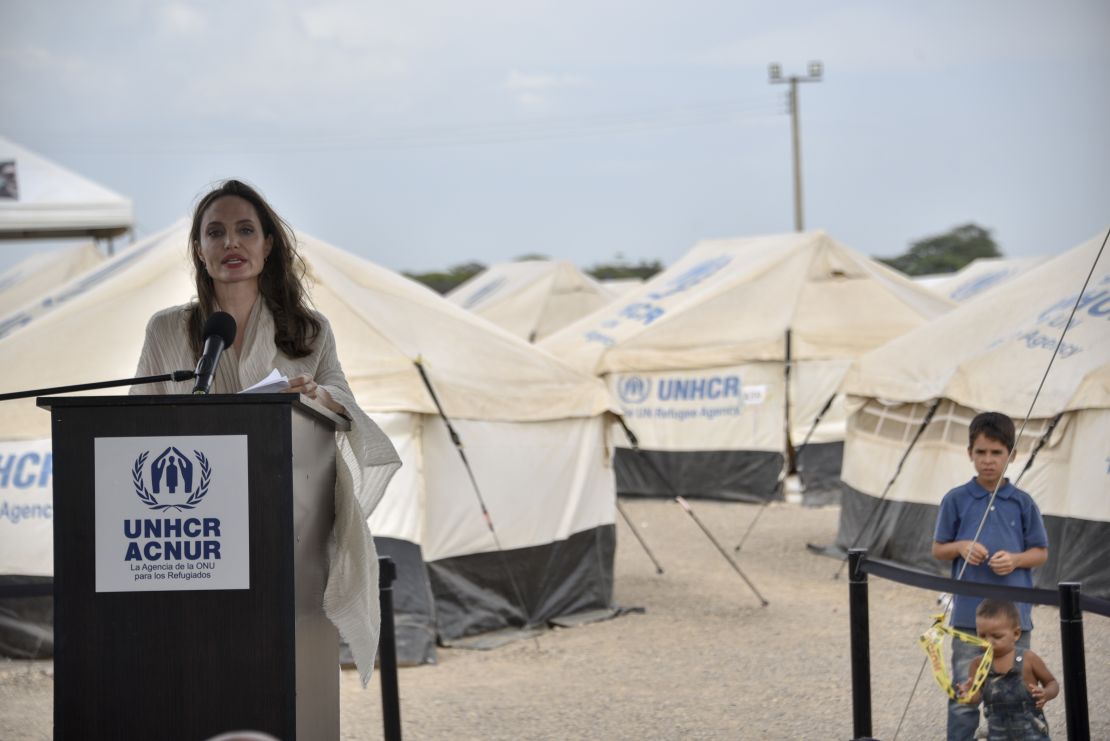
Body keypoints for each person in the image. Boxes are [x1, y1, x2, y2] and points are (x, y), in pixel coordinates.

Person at [131, 179, 400, 684]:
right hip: (192, 534)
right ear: (199, 249)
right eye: (216, 232)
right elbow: (136, 424)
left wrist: (308, 395)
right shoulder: (167, 329)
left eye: (245, 230)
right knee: (200, 672)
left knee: (272, 675)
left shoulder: (308, 329)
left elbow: (345, 405)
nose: (231, 243)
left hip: (287, 523)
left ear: (267, 244)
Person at [932, 411, 1048, 741]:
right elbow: (939, 549)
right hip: (970, 619)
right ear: (970, 453)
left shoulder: (1023, 503)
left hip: (1015, 621)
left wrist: (1015, 559)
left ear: (1012, 455)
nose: (988, 461)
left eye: (996, 453)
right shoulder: (956, 499)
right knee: (964, 696)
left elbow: (1041, 553)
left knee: (1017, 695)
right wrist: (961, 547)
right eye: (980, 452)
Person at [960, 599, 1058, 740]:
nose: (988, 641)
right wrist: (968, 695)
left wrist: (1047, 693)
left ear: (1016, 634)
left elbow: (1052, 682)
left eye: (997, 636)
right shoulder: (978, 664)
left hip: (1031, 732)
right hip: (997, 733)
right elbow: (976, 698)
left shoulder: (1028, 659)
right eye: (982, 635)